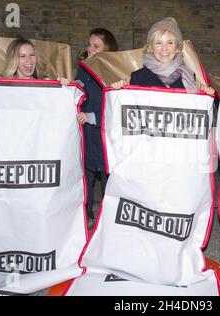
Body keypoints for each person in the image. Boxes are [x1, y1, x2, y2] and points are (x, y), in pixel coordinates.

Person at [75, 28, 118, 226]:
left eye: (96, 46)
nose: (90, 49)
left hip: (106, 136)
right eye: (89, 44)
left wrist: (92, 117)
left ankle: (108, 220)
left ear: (107, 49)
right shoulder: (83, 69)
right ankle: (85, 215)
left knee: (109, 179)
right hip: (86, 134)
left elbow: (116, 108)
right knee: (85, 177)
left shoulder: (114, 73)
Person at [111, 17, 214, 96]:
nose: (164, 48)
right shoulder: (138, 77)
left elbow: (196, 108)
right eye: (158, 43)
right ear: (151, 47)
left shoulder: (188, 76)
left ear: (177, 48)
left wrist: (205, 94)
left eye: (170, 43)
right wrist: (119, 91)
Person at [0, 36, 68, 85]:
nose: (28, 60)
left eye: (32, 55)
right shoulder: (3, 84)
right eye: (22, 56)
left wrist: (62, 88)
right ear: (13, 60)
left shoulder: (44, 82)